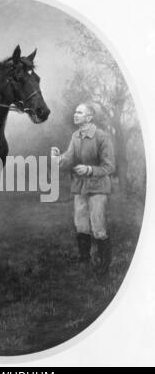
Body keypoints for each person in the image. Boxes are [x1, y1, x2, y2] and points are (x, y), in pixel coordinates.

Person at [53, 103, 115, 274]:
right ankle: (84, 260)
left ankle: (104, 265)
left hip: (98, 187)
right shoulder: (75, 136)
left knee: (98, 226)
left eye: (79, 112)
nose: (75, 114)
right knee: (80, 224)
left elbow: (109, 167)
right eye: (75, 112)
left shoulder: (102, 137)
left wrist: (89, 170)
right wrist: (59, 159)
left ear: (89, 117)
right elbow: (69, 157)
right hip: (80, 187)